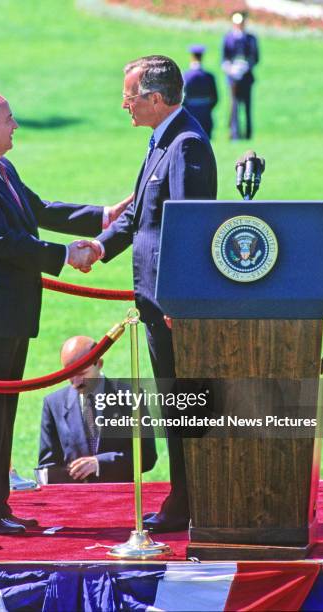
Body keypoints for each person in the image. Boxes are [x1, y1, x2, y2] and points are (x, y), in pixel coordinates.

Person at [0, 91, 132, 536]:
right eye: (8, 119)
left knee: (2, 409)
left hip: (8, 308)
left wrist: (102, 216)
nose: (15, 126)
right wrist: (67, 255)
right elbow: (6, 241)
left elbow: (39, 211)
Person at [80, 55, 217, 532]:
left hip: (172, 304)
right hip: (157, 302)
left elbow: (190, 229)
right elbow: (141, 216)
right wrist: (99, 246)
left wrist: (181, 300)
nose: (124, 105)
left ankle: (190, 503)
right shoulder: (163, 141)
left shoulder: (187, 145)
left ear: (156, 99)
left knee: (184, 403)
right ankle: (187, 498)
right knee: (174, 402)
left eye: (131, 96)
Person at [37, 336, 157, 483]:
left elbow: (147, 456)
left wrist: (100, 463)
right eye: (68, 375)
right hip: (74, 500)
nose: (76, 382)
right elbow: (47, 466)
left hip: (119, 498)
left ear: (99, 364)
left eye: (82, 374)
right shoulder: (53, 403)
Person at [222, 11, 259, 140]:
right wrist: (230, 69)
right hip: (233, 78)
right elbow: (224, 58)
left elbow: (255, 58)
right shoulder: (228, 38)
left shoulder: (251, 38)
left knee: (247, 106)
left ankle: (248, 134)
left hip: (246, 77)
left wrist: (246, 66)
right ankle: (234, 134)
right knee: (234, 106)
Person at [183, 44, 218, 139]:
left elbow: (181, 98)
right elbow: (215, 98)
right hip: (205, 111)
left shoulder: (185, 76)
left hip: (190, 111)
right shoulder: (209, 77)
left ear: (191, 57)